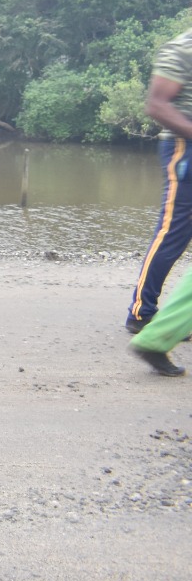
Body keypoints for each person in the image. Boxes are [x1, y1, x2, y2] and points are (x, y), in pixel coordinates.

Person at [126, 25, 192, 375]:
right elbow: (156, 105)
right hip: (185, 149)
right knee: (172, 234)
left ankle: (176, 321)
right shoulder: (181, 49)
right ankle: (141, 313)